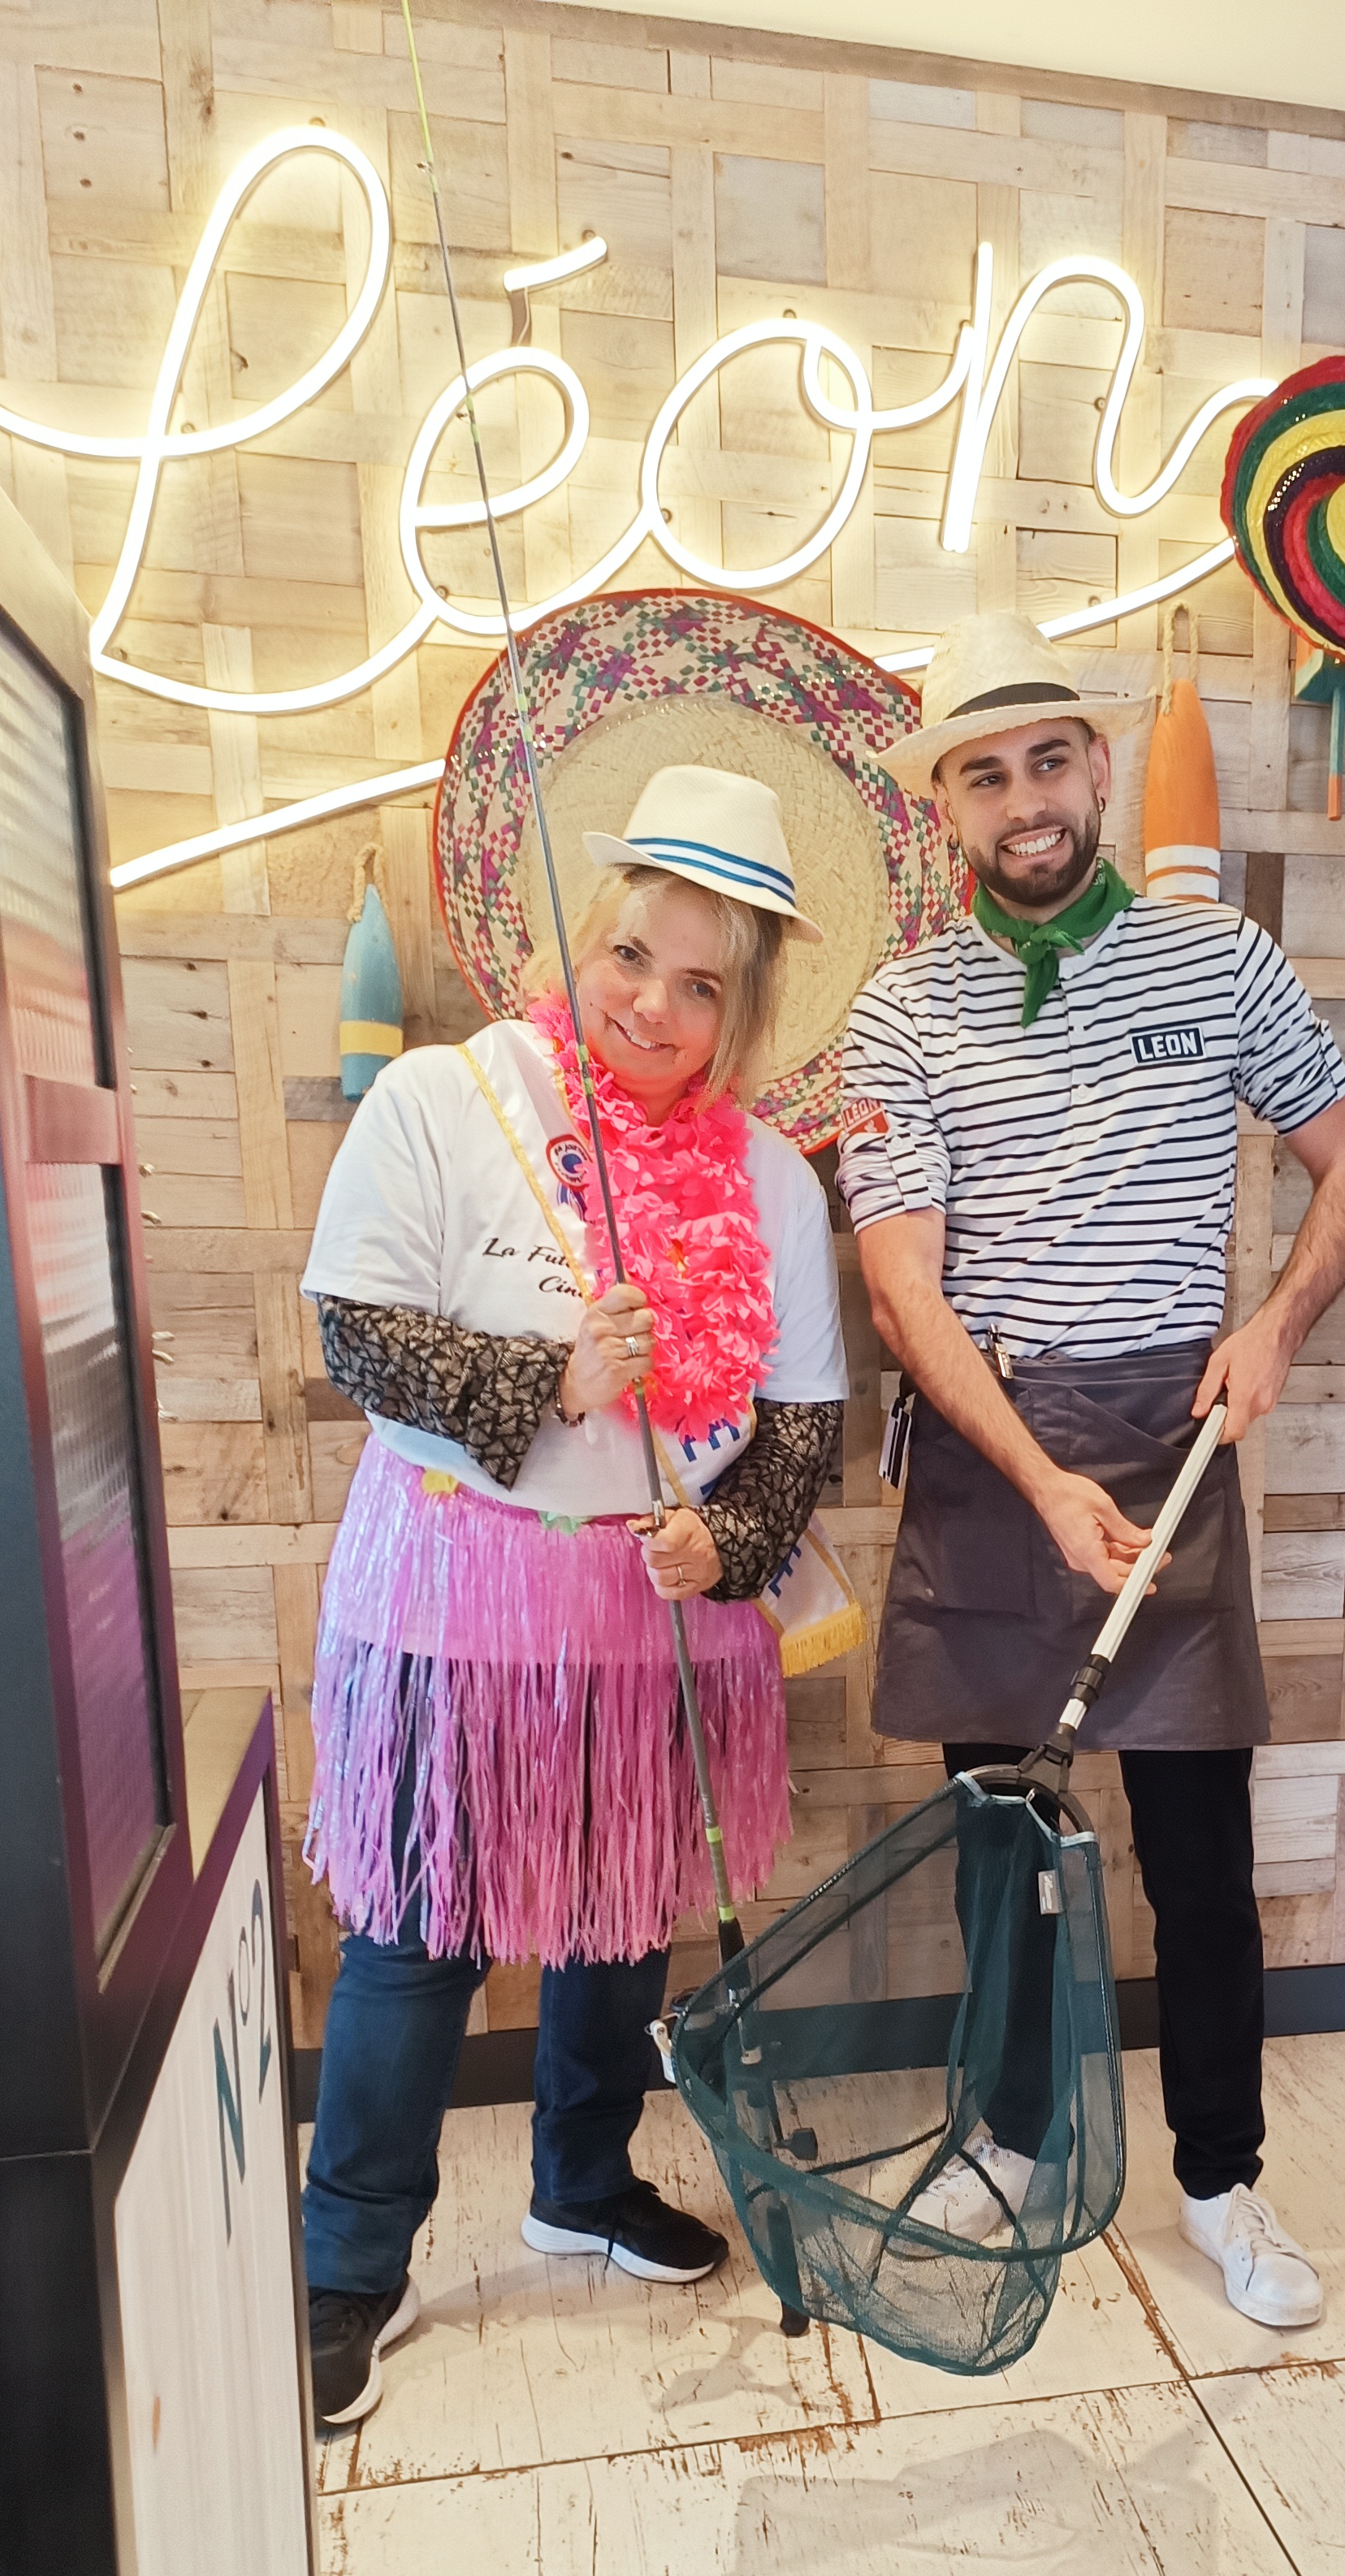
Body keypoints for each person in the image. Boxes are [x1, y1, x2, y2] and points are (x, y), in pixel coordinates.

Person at [840, 615, 1345, 2328]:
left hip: (1173, 1442)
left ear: (1096, 766)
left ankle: (1222, 2176)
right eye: (984, 776)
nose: (1025, 801)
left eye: (1049, 761)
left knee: (1201, 1858)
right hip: (990, 1454)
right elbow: (904, 1289)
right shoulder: (898, 1011)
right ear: (946, 807)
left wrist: (1277, 1321)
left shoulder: (1219, 964)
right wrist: (1033, 1477)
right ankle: (1008, 2138)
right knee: (999, 1846)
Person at [297, 766, 850, 2425]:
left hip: (654, 1611)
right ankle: (349, 2257)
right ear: (578, 935)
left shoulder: (772, 1177)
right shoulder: (446, 1100)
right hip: (457, 1589)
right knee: (419, 1930)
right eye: (631, 958)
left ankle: (583, 2181)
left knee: (622, 1915)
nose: (655, 1009)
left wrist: (733, 1540)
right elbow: (357, 1334)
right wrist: (552, 1377)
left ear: (745, 1005)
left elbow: (801, 1424)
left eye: (704, 985)